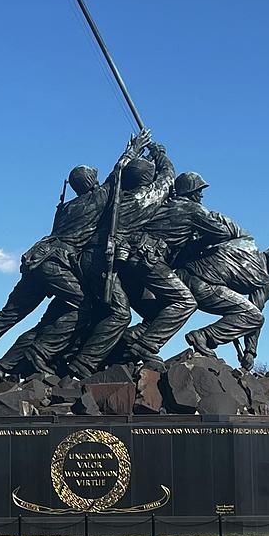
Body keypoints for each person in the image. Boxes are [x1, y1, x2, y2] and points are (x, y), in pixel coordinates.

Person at [0, 130, 150, 382]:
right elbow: (117, 173)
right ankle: (40, 355)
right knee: (84, 306)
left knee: (9, 314)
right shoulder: (97, 198)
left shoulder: (66, 208)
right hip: (56, 264)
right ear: (91, 183)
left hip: (36, 259)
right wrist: (134, 148)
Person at [67, 142, 176, 377]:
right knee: (120, 313)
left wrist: (133, 153)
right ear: (147, 180)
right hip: (102, 259)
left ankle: (81, 356)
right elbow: (168, 177)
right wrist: (160, 155)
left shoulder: (110, 196)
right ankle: (83, 363)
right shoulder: (145, 198)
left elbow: (115, 174)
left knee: (100, 310)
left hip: (87, 257)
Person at [113, 171, 243, 363]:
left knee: (158, 311)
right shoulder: (193, 210)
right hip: (149, 259)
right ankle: (146, 346)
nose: (201, 196)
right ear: (191, 192)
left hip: (129, 260)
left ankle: (120, 348)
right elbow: (221, 233)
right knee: (186, 302)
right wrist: (199, 239)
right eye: (199, 191)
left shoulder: (161, 206)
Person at [180, 241, 269, 370]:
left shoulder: (244, 247)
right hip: (203, 286)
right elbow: (254, 315)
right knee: (255, 317)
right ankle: (204, 336)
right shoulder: (264, 281)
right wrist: (250, 352)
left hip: (181, 275)